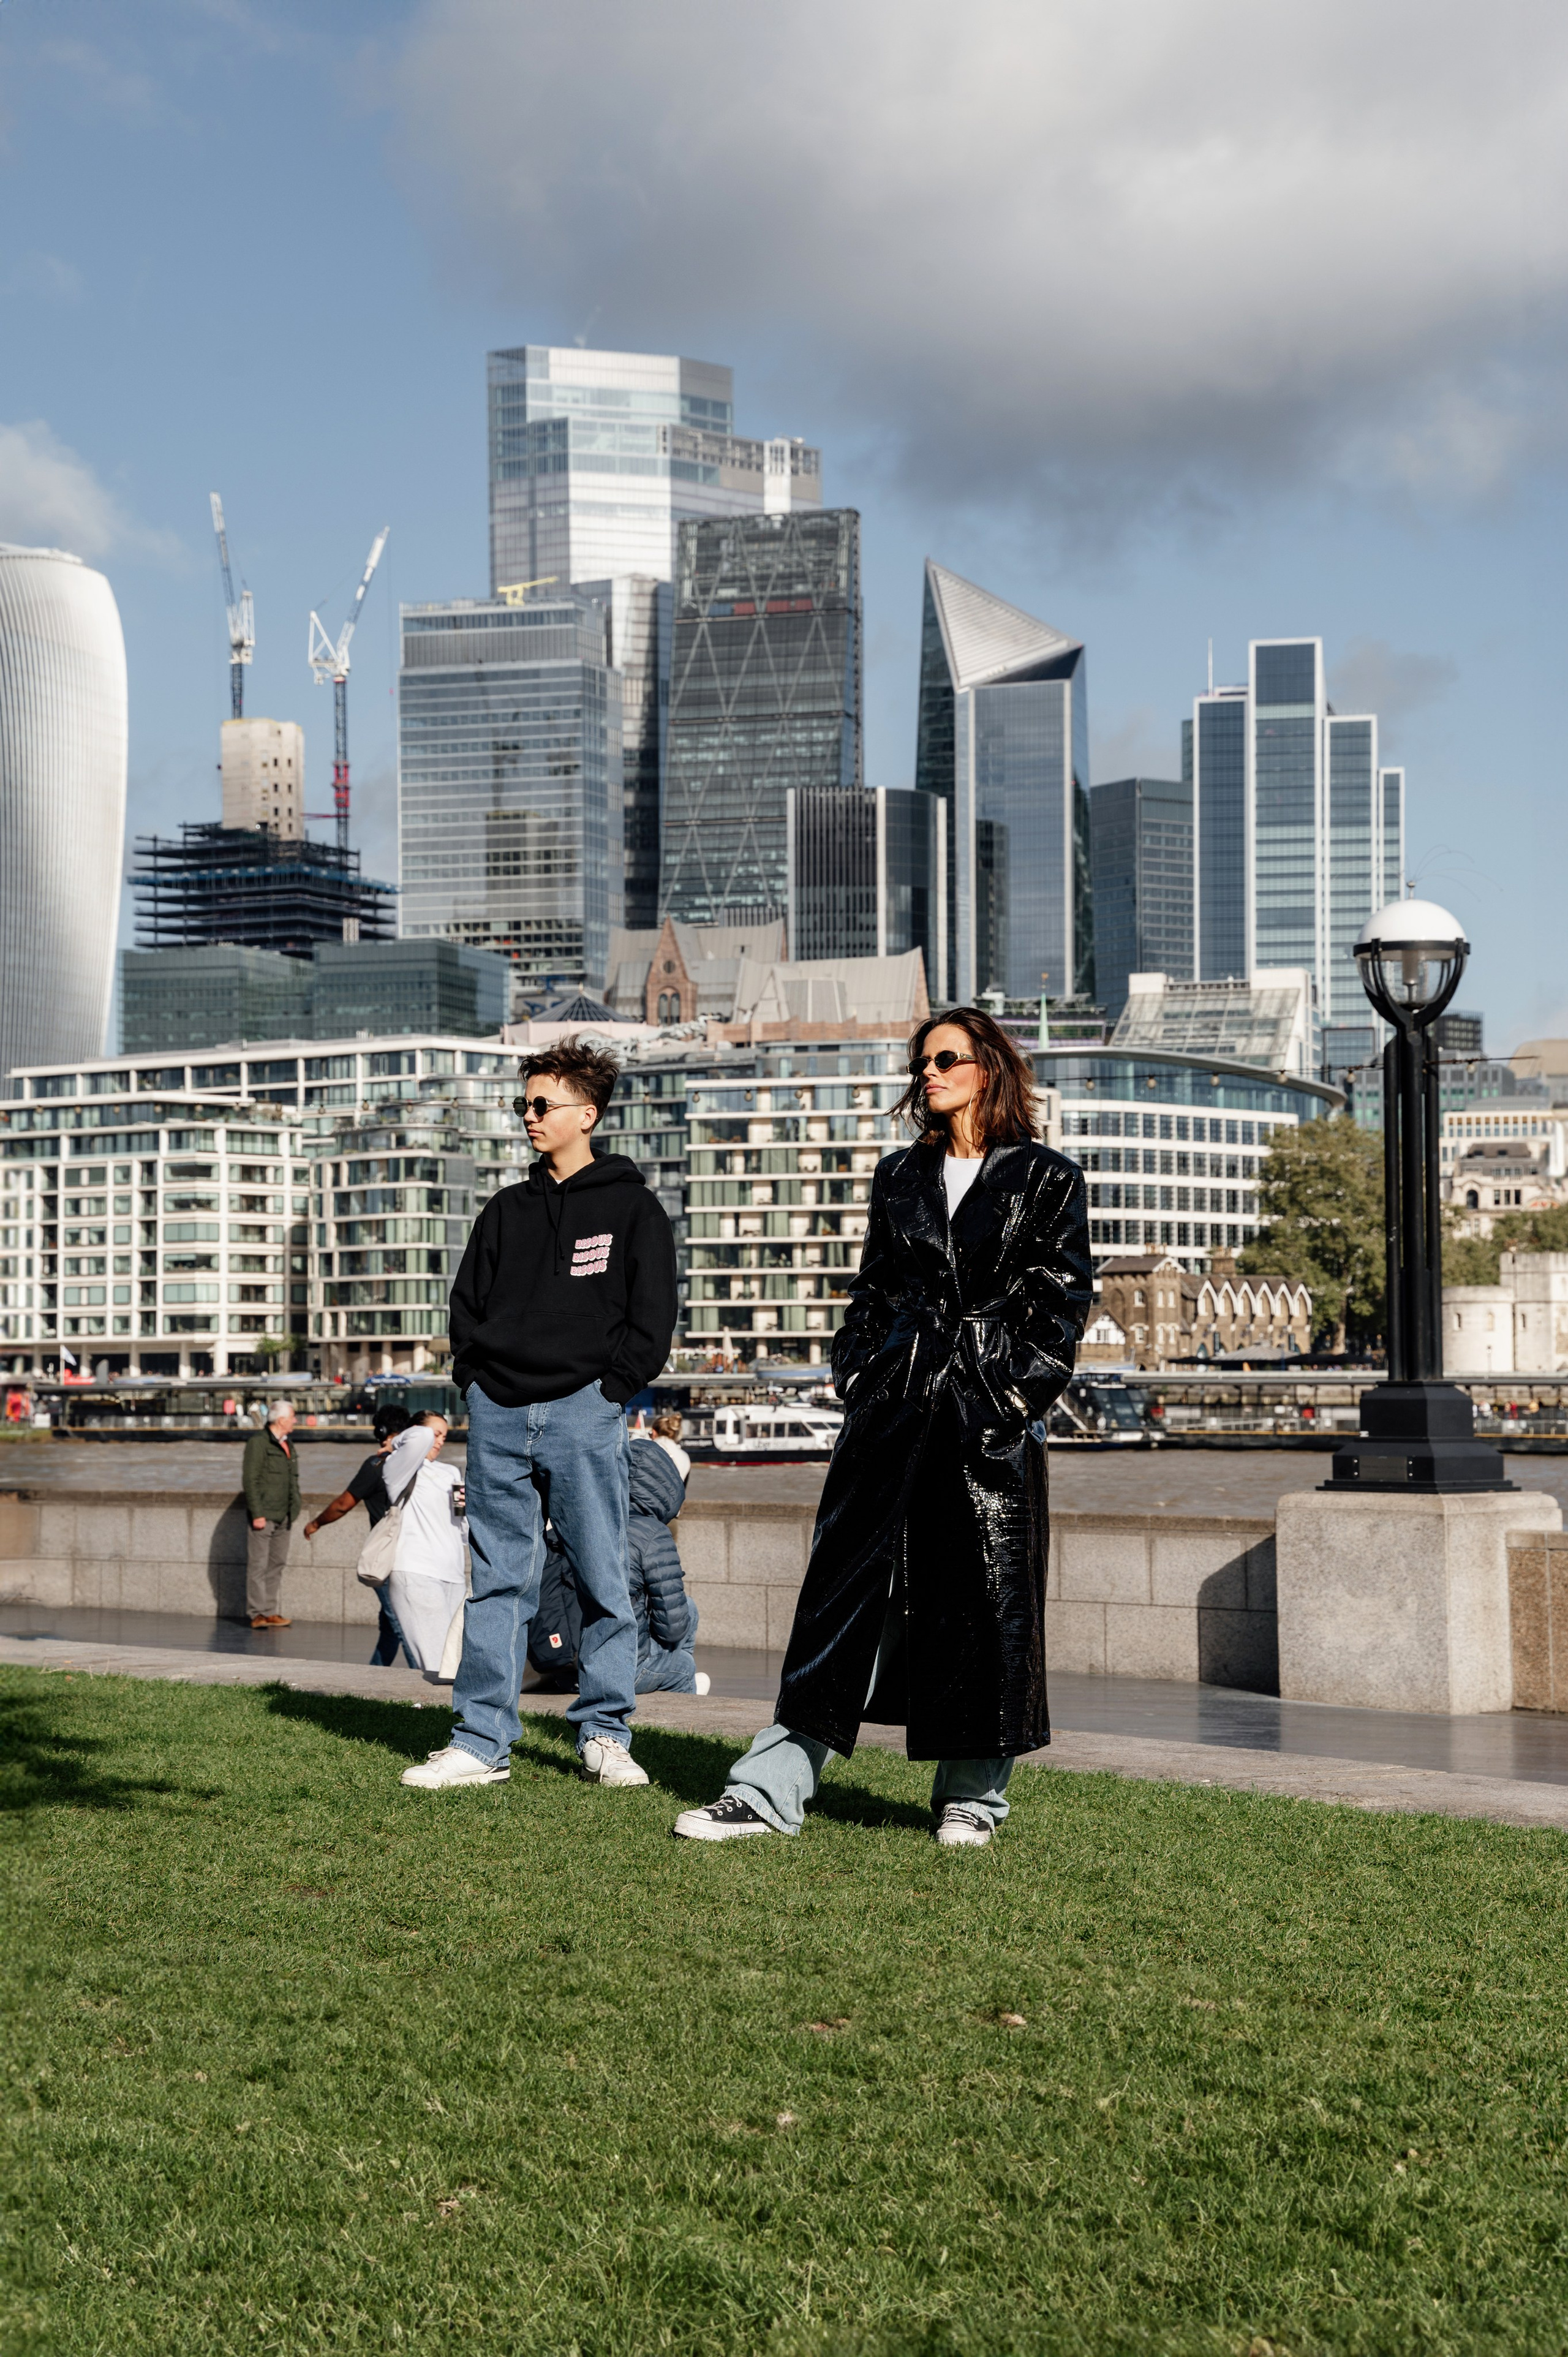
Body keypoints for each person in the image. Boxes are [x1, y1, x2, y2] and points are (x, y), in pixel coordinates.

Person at [674, 1008, 1093, 1849]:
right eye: (922, 1061)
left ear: (989, 1070)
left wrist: (1006, 1405)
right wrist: (860, 1373)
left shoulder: (1048, 1178)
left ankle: (973, 1797)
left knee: (982, 1606)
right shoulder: (900, 1175)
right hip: (893, 1408)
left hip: (984, 1422)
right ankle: (767, 1789)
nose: (929, 1073)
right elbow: (871, 1292)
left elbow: (1060, 1311)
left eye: (946, 1059)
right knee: (843, 1600)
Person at [401, 1036, 678, 1792]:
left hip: (585, 1411)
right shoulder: (505, 1210)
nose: (528, 1115)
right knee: (496, 1581)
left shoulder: (631, 1207)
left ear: (586, 1114)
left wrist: (611, 1390)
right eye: (524, 1102)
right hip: (498, 1413)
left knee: (602, 1578)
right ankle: (481, 1740)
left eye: (541, 1103)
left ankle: (605, 1734)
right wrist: (475, 1383)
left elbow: (653, 1316)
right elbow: (466, 1305)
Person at [301, 1402, 414, 1665]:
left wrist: (316, 1523)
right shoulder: (417, 1463)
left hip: (387, 1555)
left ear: (382, 1431)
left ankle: (421, 1683)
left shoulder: (377, 1465)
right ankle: (374, 1676)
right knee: (390, 1623)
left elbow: (343, 1504)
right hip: (415, 1550)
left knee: (400, 1623)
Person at [380, 1413, 468, 1675]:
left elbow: (463, 1523)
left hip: (453, 1575)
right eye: (436, 1434)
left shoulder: (451, 1472)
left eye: (444, 1436)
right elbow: (420, 1437)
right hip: (416, 1572)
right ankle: (433, 1713)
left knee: (456, 1662)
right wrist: (397, 1442)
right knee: (436, 1665)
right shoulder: (399, 1467)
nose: (439, 1441)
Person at [241, 1398, 301, 1629]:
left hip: (285, 1515)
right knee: (258, 1566)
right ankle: (257, 1614)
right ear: (282, 1419)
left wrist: (294, 1507)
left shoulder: (288, 1443)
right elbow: (251, 1479)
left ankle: (270, 1611)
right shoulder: (259, 1443)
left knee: (277, 1564)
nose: (295, 1421)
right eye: (293, 1417)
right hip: (264, 1515)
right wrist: (257, 1513)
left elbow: (293, 1479)